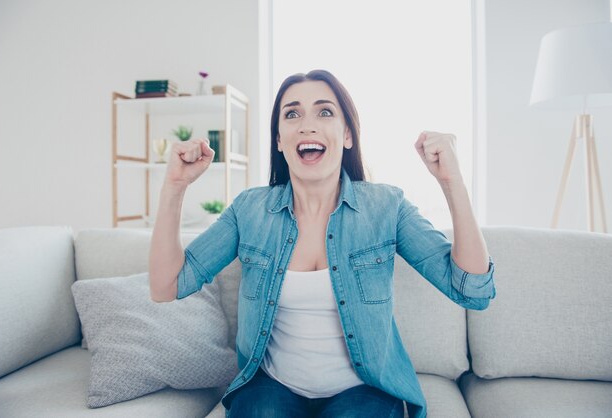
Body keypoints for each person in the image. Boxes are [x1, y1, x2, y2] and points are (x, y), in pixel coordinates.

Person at [149, 69, 496, 418]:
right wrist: (174, 188)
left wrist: (452, 182)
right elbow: (167, 285)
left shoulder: (386, 207)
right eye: (292, 113)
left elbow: (472, 290)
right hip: (271, 387)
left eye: (325, 111)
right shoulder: (249, 210)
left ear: (347, 135)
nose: (307, 124)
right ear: (280, 140)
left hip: (364, 391)